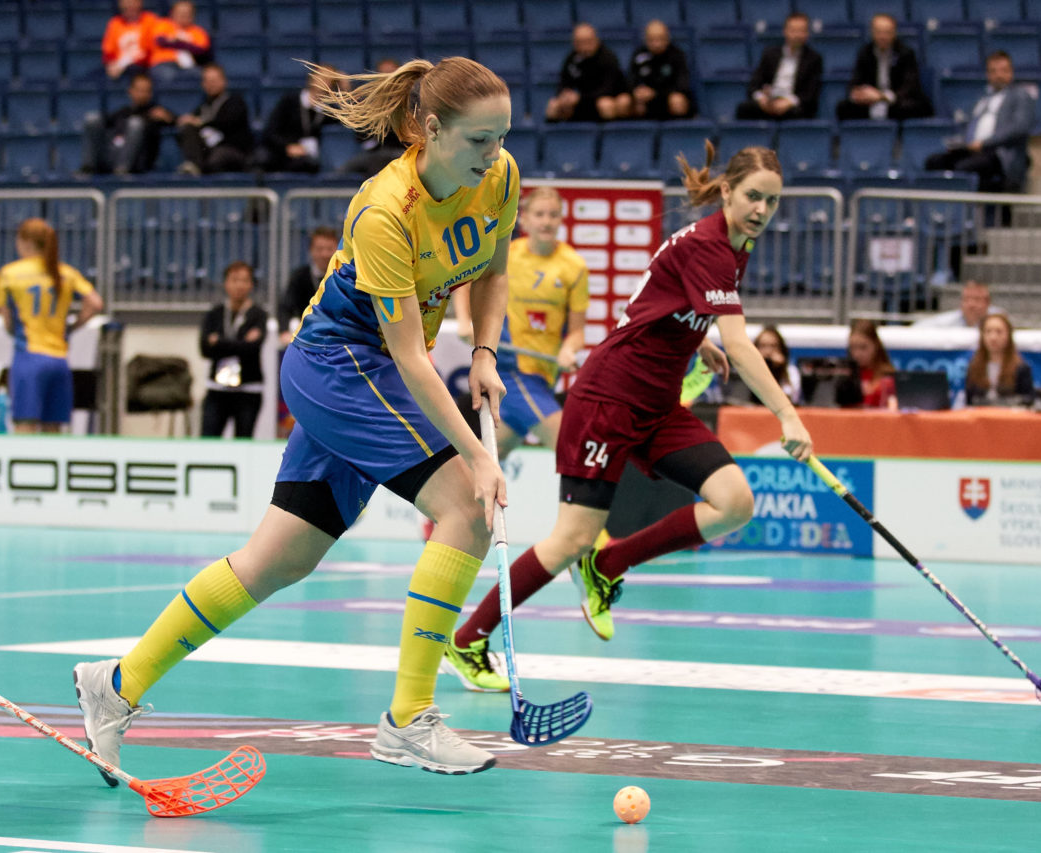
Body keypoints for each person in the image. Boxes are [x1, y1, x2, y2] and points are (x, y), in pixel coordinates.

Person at [72, 55, 519, 779]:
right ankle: (409, 718)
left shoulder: (496, 177)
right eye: (478, 140)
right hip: (340, 366)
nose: (494, 154)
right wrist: (477, 454)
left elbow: (493, 265)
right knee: (465, 502)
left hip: (368, 373)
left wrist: (489, 350)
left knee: (279, 558)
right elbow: (407, 358)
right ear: (431, 130)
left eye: (502, 137)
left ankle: (115, 683)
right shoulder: (385, 209)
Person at [443, 141, 813, 691]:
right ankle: (468, 640)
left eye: (772, 202)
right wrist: (787, 413)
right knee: (570, 537)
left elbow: (659, 305)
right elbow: (741, 343)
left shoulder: (736, 244)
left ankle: (609, 564)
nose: (761, 210)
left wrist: (696, 334)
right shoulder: (712, 245)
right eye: (753, 197)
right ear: (727, 192)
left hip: (658, 402)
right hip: (609, 401)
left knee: (734, 501)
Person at [451, 186, 588, 459]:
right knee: (573, 450)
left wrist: (569, 349)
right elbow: (463, 280)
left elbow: (576, 332)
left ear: (561, 219)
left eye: (553, 215)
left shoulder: (575, 266)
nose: (546, 221)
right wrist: (465, 321)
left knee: (490, 456)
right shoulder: (506, 254)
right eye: (539, 214)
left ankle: (454, 499)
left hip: (544, 376)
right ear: (524, 218)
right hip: (509, 371)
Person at [0, 219, 104, 434]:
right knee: (53, 430)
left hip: (29, 357)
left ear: (24, 242)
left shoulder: (10, 273)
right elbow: (96, 303)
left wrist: (13, 328)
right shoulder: (66, 272)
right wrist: (72, 327)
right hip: (59, 359)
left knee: (25, 425)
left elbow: (8, 322)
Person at [924, 52, 1035, 193]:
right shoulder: (983, 99)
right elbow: (968, 126)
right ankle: (938, 212)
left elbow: (1019, 128)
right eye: (993, 71)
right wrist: (960, 143)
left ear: (1011, 72)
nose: (998, 75)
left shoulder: (1020, 95)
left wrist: (984, 143)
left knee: (964, 168)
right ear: (988, 74)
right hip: (971, 150)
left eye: (1003, 70)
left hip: (998, 154)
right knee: (934, 162)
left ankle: (965, 212)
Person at [199, 261, 268, 438]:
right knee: (208, 439)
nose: (239, 285)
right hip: (217, 389)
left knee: (243, 442)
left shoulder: (258, 315)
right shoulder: (215, 314)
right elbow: (205, 349)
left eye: (244, 280)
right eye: (234, 280)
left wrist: (219, 342)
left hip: (248, 390)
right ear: (226, 283)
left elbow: (253, 348)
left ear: (251, 284)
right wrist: (241, 343)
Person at [836, 13, 932, 121]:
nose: (882, 36)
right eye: (879, 32)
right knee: (843, 107)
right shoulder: (865, 52)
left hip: (895, 101)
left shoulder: (906, 53)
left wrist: (882, 96)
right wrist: (859, 93)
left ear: (894, 33)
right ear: (872, 33)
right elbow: (855, 81)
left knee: (916, 107)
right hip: (870, 101)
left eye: (887, 32)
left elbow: (910, 86)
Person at [80, 72, 175, 175]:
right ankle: (88, 167)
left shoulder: (156, 113)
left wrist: (169, 118)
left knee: (136, 123)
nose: (143, 94)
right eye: (139, 90)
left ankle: (122, 169)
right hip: (112, 155)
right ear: (130, 91)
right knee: (92, 118)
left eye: (147, 91)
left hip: (136, 163)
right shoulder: (123, 112)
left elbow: (177, 121)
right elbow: (105, 123)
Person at [736, 13, 823, 121]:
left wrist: (788, 102)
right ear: (785, 31)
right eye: (793, 30)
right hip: (769, 102)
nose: (797, 35)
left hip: (792, 106)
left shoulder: (814, 58)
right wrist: (762, 99)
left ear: (807, 34)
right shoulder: (770, 54)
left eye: (801, 31)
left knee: (798, 113)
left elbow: (810, 93)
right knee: (744, 108)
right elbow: (754, 86)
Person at [175, 63, 254, 175]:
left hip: (232, 149)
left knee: (217, 158)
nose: (210, 84)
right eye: (207, 81)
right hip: (209, 150)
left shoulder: (235, 101)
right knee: (188, 128)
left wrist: (200, 122)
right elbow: (191, 120)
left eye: (214, 80)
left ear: (224, 81)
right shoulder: (204, 106)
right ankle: (194, 167)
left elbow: (227, 121)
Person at [546, 23, 629, 122]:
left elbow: (607, 90)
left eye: (588, 41)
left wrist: (580, 98)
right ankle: (555, 137)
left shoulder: (608, 58)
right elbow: (564, 83)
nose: (584, 47)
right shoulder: (572, 59)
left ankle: (609, 136)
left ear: (596, 40)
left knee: (605, 104)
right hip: (580, 101)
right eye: (580, 43)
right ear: (574, 44)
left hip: (600, 99)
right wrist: (565, 95)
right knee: (553, 105)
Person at [257, 72, 330, 174]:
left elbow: (348, 122)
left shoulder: (329, 111)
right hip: (281, 151)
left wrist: (345, 90)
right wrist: (287, 147)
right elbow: (271, 132)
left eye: (331, 79)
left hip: (308, 159)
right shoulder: (289, 101)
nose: (326, 81)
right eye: (323, 77)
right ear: (311, 79)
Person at [621, 20, 694, 120]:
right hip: (645, 101)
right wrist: (636, 92)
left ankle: (679, 132)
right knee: (625, 101)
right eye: (652, 40)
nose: (656, 44)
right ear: (645, 40)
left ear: (667, 38)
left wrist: (656, 93)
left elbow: (682, 86)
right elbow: (630, 80)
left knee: (677, 100)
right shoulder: (639, 55)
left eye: (660, 39)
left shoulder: (677, 55)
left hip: (666, 98)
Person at [279, 226, 338, 345]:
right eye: (319, 249)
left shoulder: (345, 278)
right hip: (307, 337)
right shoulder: (299, 276)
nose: (325, 254)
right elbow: (285, 307)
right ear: (311, 251)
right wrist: (284, 331)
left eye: (329, 249)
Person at [964, 313, 1034, 406]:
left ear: (1008, 335)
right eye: (988, 331)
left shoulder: (1021, 368)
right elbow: (969, 401)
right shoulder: (974, 367)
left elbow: (1028, 399)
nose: (993, 337)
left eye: (999, 332)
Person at [725, 325, 802, 405]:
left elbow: (790, 400)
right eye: (763, 346)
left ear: (781, 348)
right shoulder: (747, 370)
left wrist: (780, 371)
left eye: (773, 346)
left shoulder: (791, 372)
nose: (768, 352)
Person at [146, 0, 211, 85]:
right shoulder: (164, 24)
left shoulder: (198, 31)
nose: (183, 15)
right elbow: (161, 41)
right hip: (163, 63)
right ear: (172, 13)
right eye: (180, 12)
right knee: (167, 76)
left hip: (189, 66)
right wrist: (186, 44)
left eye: (187, 13)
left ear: (193, 15)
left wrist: (176, 42)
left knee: (200, 75)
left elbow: (200, 50)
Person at [842, 319, 897, 410]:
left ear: (875, 345)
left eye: (863, 347)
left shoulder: (888, 376)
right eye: (853, 347)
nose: (857, 354)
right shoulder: (844, 376)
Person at [101, 0, 156, 81]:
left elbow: (151, 50)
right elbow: (108, 51)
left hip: (142, 65)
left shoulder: (150, 20)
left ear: (140, 3)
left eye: (132, 2)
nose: (129, 6)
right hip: (118, 65)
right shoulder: (115, 23)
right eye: (126, 3)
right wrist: (111, 65)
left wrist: (123, 64)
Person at [913, 280, 1002, 328]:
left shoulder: (999, 319)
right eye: (966, 299)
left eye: (977, 299)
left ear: (988, 303)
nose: (971, 304)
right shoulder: (949, 320)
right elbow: (917, 328)